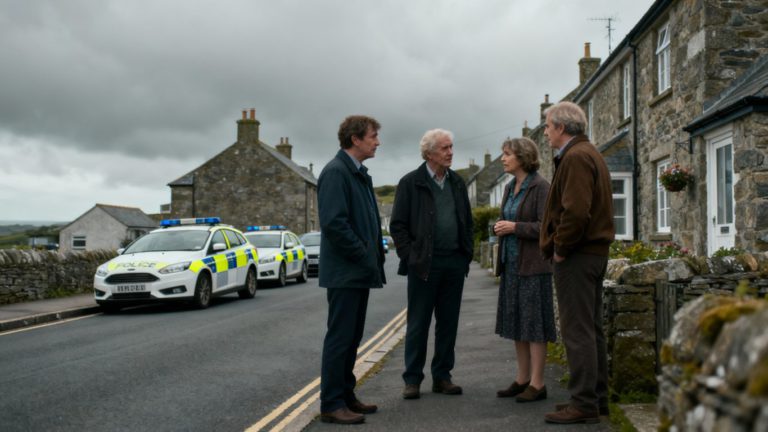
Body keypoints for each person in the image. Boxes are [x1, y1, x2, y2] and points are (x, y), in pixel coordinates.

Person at [539, 102, 615, 424]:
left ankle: (584, 404)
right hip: (592, 254)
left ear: (561, 127)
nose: (545, 132)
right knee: (591, 329)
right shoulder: (587, 153)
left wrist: (560, 249)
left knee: (577, 330)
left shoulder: (576, 157)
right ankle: (596, 400)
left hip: (578, 256)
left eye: (547, 126)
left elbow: (576, 212)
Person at [390, 128, 474, 400]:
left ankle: (442, 377)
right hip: (423, 265)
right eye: (445, 148)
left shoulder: (457, 182)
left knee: (448, 323)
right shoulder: (410, 183)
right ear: (429, 154)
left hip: (453, 262)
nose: (450, 153)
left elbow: (467, 221)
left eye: (451, 147)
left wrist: (466, 254)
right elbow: (398, 226)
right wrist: (410, 256)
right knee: (418, 323)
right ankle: (412, 379)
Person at [317, 115, 386, 425]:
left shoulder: (358, 173)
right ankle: (332, 403)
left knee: (353, 336)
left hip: (357, 270)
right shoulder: (335, 172)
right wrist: (363, 254)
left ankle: (345, 395)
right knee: (341, 338)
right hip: (346, 271)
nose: (377, 141)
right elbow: (334, 223)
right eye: (372, 136)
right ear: (355, 139)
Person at [492, 137, 555, 403]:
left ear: (523, 157)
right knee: (517, 324)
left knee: (535, 326)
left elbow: (547, 227)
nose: (503, 159)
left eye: (507, 154)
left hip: (534, 267)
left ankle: (538, 384)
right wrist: (499, 226)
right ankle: (522, 379)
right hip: (511, 266)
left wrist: (514, 228)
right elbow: (506, 219)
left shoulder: (541, 187)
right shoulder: (509, 187)